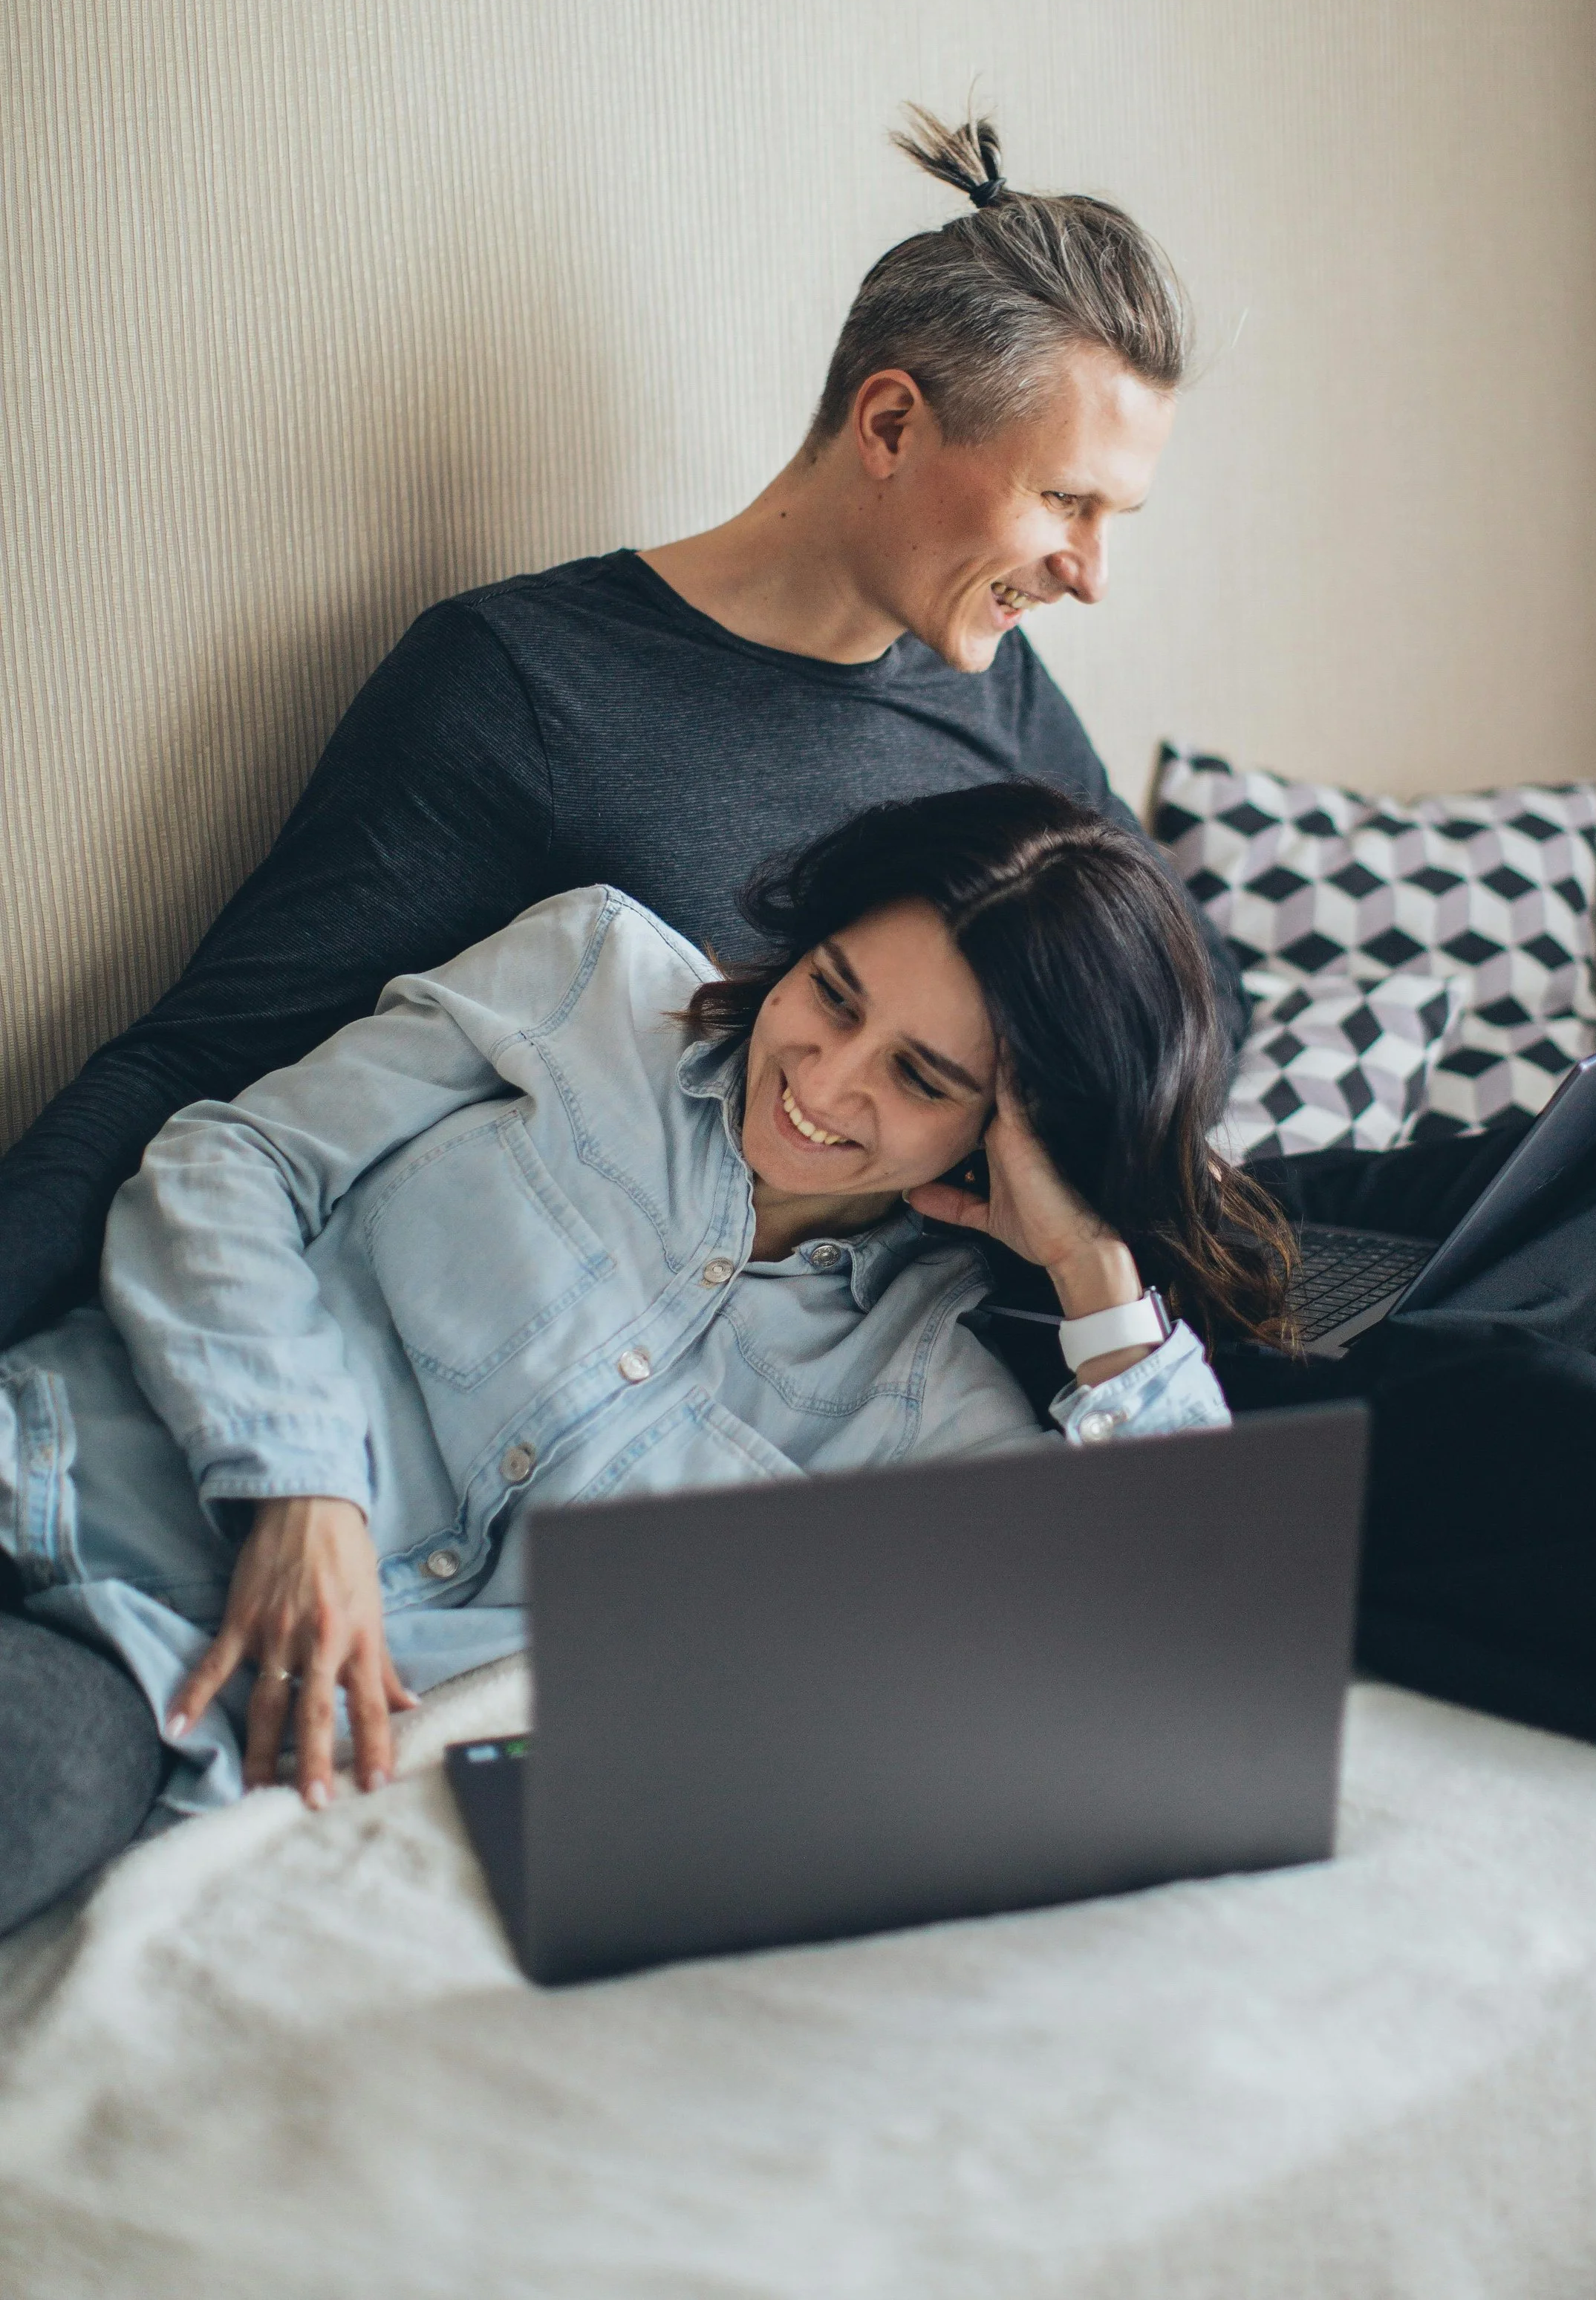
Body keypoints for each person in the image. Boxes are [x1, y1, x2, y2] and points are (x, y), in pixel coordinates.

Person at [0, 103, 1234, 1355]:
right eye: (1065, 500)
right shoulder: (527, 688)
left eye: (1114, 514)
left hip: (946, 1373)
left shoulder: (994, 688)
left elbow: (1195, 996)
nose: (1092, 574)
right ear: (891, 425)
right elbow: (193, 1069)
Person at [0, 786, 1292, 1935]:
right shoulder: (592, 975)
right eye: (833, 991)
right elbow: (233, 1161)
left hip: (149, 1682)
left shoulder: (925, 1401)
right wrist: (298, 1484)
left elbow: (1176, 1682)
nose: (825, 1080)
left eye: (919, 1075)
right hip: (59, 1463)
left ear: (1008, 1128)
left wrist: (1090, 1270)